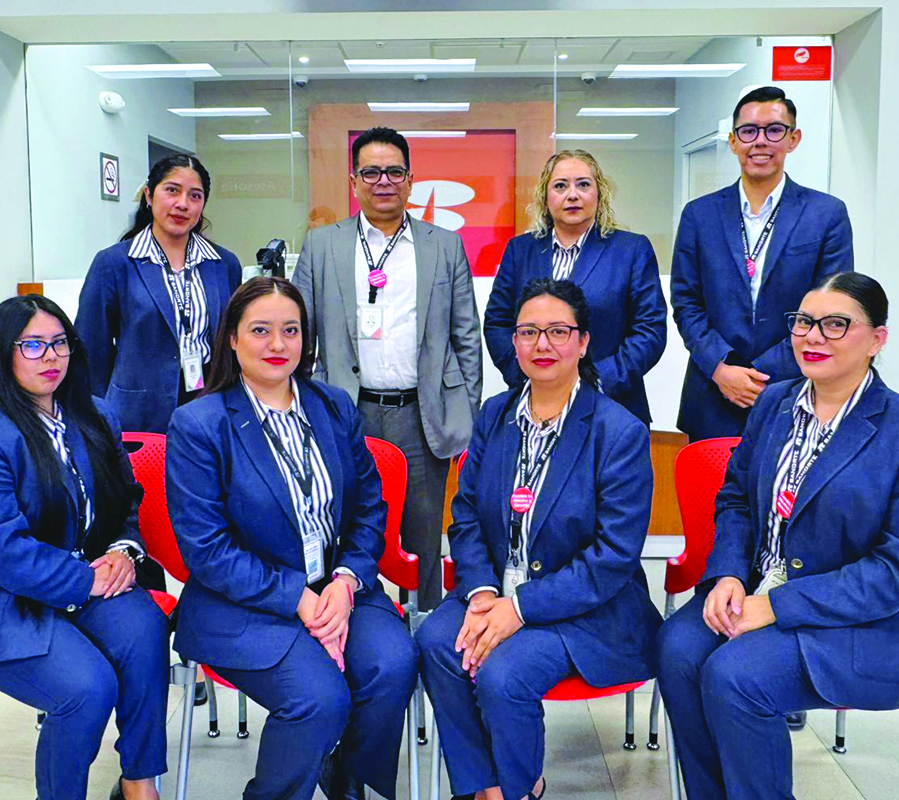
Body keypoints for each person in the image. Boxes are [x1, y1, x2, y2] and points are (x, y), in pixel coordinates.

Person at [656, 272, 899, 800]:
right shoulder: (775, 404)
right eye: (803, 322)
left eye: (835, 324)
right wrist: (728, 575)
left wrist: (776, 607)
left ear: (877, 339)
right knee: (678, 649)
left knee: (736, 675)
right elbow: (735, 499)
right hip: (758, 589)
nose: (813, 337)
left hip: (865, 624)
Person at [165, 277, 418, 800]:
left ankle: (344, 777)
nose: (278, 344)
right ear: (232, 338)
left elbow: (369, 507)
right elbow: (207, 549)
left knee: (392, 665)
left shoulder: (333, 407)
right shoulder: (199, 424)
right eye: (260, 330)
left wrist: (345, 582)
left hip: (338, 588)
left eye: (291, 330)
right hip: (243, 602)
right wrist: (298, 598)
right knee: (317, 699)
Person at [417, 279, 664, 800]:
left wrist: (520, 607)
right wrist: (482, 593)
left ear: (583, 341)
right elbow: (465, 515)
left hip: (586, 609)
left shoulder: (618, 431)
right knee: (437, 642)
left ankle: (521, 788)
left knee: (504, 673)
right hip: (495, 592)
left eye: (558, 331)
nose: (542, 344)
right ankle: (486, 787)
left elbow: (612, 557)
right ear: (514, 342)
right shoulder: (495, 415)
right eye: (528, 332)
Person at [0, 294, 168, 800]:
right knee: (88, 688)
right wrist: (88, 579)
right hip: (0, 603)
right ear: (3, 353)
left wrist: (124, 551)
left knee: (145, 630)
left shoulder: (94, 416)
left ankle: (139, 785)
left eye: (60, 343)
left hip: (83, 585)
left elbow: (125, 502)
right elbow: (4, 552)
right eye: (32, 345)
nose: (51, 356)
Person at [293, 126, 483, 611]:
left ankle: (426, 626)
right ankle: (345, 620)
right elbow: (300, 333)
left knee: (422, 535)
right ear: (354, 181)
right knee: (341, 527)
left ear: (410, 180)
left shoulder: (444, 245)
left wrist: (466, 411)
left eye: (395, 172)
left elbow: (466, 335)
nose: (384, 181)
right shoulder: (322, 245)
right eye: (372, 172)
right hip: (343, 412)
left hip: (421, 415)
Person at [671, 85, 853, 442]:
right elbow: (686, 302)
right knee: (711, 481)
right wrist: (721, 367)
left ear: (793, 139)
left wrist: (763, 373)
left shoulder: (826, 214)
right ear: (733, 141)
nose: (760, 141)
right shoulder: (699, 215)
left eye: (774, 130)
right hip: (713, 393)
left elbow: (832, 306)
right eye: (749, 131)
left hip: (794, 389)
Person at [484, 150, 667, 424]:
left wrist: (591, 382)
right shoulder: (520, 250)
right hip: (535, 404)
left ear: (599, 193)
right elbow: (498, 323)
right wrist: (530, 378)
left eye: (583, 184)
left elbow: (650, 331)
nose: (572, 195)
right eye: (560, 186)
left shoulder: (631, 250)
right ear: (545, 197)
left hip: (612, 405)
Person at [76, 153, 244, 435]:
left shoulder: (224, 264)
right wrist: (95, 418)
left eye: (195, 196)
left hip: (210, 402)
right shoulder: (115, 263)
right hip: (138, 411)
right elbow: (91, 348)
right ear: (149, 196)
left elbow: (233, 340)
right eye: (172, 190)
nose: (183, 204)